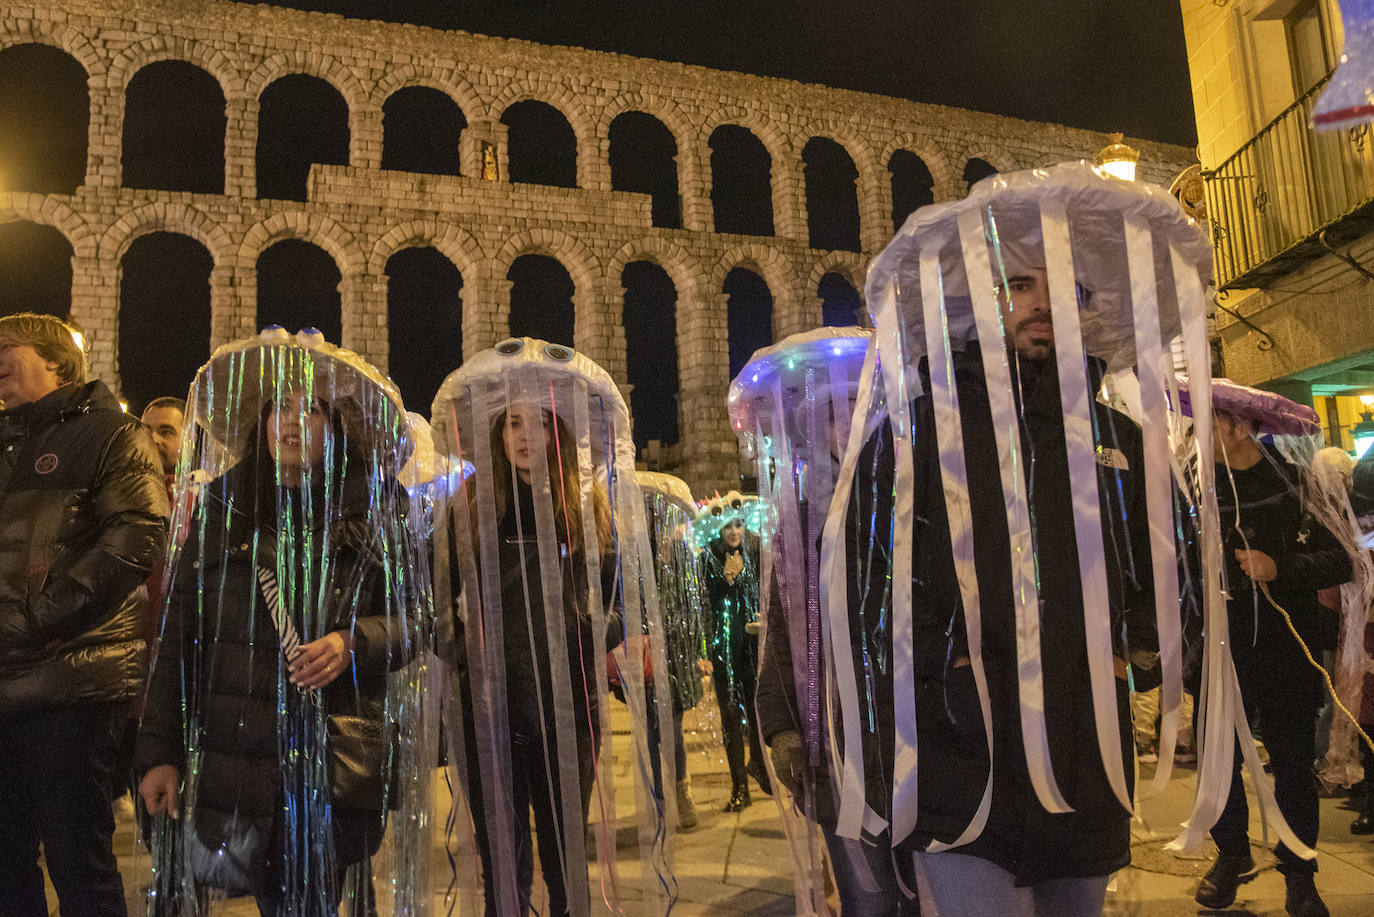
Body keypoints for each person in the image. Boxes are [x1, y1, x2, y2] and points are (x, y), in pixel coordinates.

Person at [845, 263, 1156, 915]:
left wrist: (1128, 656)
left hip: (1084, 760)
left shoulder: (1117, 440)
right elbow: (864, 578)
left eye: (1065, 288)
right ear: (977, 302)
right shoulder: (917, 433)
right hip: (968, 758)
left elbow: (1164, 570)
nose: (1042, 302)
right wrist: (945, 663)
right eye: (1019, 283)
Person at [136, 331, 417, 915]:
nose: (291, 423)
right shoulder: (220, 507)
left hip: (329, 765)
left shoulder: (377, 508)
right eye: (280, 408)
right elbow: (179, 635)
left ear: (337, 427)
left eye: (310, 410)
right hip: (236, 763)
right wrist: (158, 751)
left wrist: (353, 641)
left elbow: (419, 619)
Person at [0, 312, 170, 917]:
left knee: (79, 864)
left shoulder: (112, 433)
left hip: (71, 680)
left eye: (6, 347)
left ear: (54, 360)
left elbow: (137, 533)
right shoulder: (6, 438)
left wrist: (34, 620)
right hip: (7, 676)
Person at [453, 401, 618, 917]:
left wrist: (582, 632)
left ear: (560, 433)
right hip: (488, 707)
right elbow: (432, 597)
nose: (526, 435)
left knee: (565, 854)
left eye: (542, 422)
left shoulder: (586, 506)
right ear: (499, 435)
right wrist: (464, 651)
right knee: (503, 862)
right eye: (514, 422)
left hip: (567, 707)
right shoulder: (473, 504)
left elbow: (624, 602)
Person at [1194, 412, 1353, 917]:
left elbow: (1344, 558)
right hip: (1218, 648)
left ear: (1240, 427)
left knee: (1291, 763)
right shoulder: (1195, 490)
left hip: (1286, 647)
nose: (1199, 435)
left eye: (1209, 423)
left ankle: (1300, 875)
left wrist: (1279, 567)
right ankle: (1232, 855)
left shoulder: (1301, 486)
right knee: (1218, 759)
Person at [702, 506, 770, 812]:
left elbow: (762, 594)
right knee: (730, 716)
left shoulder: (754, 551)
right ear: (719, 529)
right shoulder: (709, 556)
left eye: (738, 525)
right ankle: (739, 784)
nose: (734, 532)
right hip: (723, 648)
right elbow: (704, 603)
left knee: (755, 710)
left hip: (750, 646)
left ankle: (757, 762)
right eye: (728, 526)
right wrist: (726, 580)